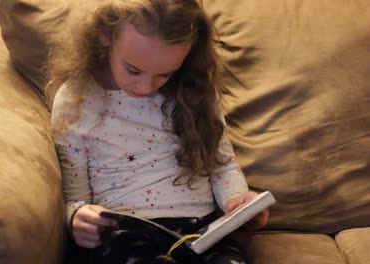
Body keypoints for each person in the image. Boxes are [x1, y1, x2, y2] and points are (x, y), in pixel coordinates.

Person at [47, 0, 269, 263]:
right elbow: (76, 197)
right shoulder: (77, 99)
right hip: (126, 233)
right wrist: (77, 216)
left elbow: (222, 166)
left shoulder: (194, 91)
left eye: (165, 74)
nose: (145, 87)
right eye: (133, 70)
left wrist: (239, 203)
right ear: (104, 35)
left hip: (203, 231)